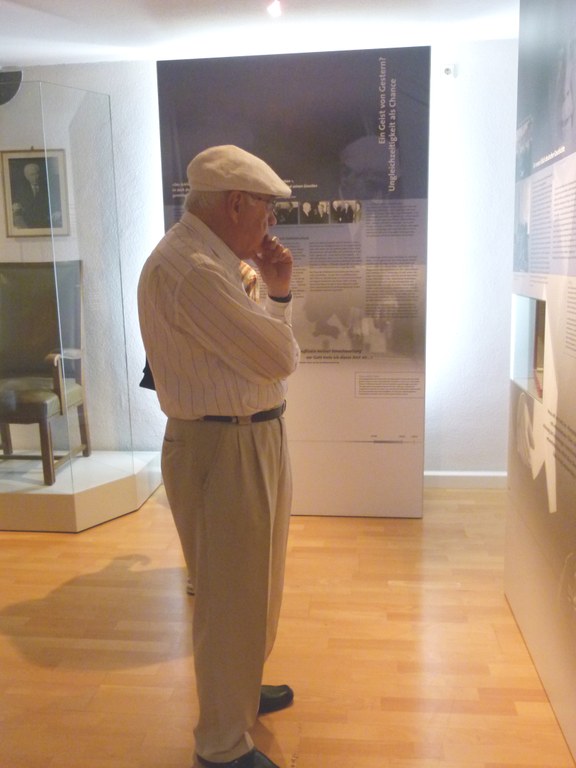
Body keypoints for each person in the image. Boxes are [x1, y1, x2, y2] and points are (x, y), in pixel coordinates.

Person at [138, 145, 300, 768]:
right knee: (230, 598)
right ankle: (221, 746)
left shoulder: (214, 263)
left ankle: (240, 693)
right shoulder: (193, 271)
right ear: (235, 204)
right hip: (221, 444)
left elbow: (260, 354)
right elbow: (279, 358)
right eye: (265, 208)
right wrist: (279, 307)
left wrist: (277, 294)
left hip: (246, 434)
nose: (270, 223)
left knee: (255, 585)